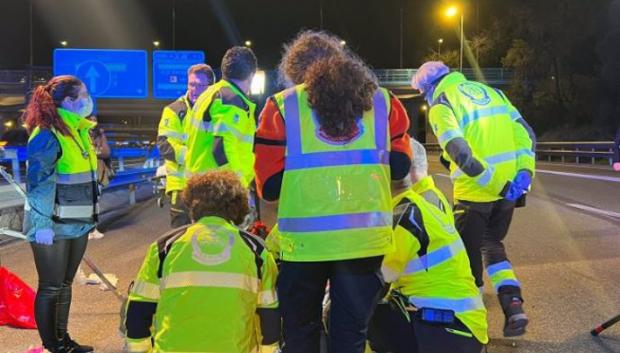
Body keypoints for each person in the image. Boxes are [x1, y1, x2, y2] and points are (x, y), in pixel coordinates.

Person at [254, 31, 412, 353]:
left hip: (303, 247)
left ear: (295, 72)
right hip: (365, 242)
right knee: (350, 335)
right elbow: (400, 167)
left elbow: (268, 188)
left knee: (299, 334)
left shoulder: (281, 108)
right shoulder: (385, 103)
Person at [411, 61, 536, 337]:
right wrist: (523, 174)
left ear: (428, 87)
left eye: (422, 93)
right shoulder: (494, 93)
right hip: (509, 192)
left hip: (476, 193)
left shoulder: (442, 103)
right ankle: (513, 303)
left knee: (467, 263)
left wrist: (498, 185)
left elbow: (461, 155)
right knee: (492, 245)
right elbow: (525, 135)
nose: (425, 98)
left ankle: (472, 330)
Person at [124, 170, 279, 352]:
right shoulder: (256, 251)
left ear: (192, 205)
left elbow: (139, 308)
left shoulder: (164, 248)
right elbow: (268, 317)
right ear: (238, 207)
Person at [367, 140, 488, 353]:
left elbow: (376, 279)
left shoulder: (405, 214)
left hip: (446, 328)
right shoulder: (423, 202)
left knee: (351, 318)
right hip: (462, 324)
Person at [23, 75, 98, 353]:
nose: (88, 100)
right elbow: (39, 183)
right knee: (51, 286)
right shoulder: (47, 133)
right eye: (84, 95)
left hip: (76, 223)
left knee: (65, 284)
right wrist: (41, 224)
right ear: (68, 101)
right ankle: (53, 346)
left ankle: (64, 340)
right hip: (51, 224)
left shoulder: (77, 131)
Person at [184, 47, 257, 188]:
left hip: (201, 185)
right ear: (251, 75)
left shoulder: (209, 94)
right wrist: (239, 187)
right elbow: (222, 149)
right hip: (219, 192)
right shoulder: (230, 100)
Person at [157, 63, 216, 227]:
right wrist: (196, 156)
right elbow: (164, 145)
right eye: (191, 84)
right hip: (181, 186)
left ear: (210, 86)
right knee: (180, 236)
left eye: (199, 85)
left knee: (207, 236)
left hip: (208, 185)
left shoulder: (217, 111)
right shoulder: (174, 110)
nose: (194, 89)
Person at [87, 114, 111, 239]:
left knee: (95, 201)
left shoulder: (100, 134)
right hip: (84, 172)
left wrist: (93, 152)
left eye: (95, 120)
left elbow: (106, 152)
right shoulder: (81, 134)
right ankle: (88, 229)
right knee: (87, 202)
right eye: (90, 120)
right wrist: (96, 151)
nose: (93, 122)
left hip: (98, 171)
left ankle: (93, 228)